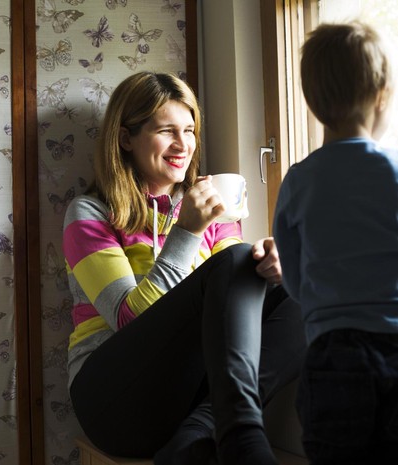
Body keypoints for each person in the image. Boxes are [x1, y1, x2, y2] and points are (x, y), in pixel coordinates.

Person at [63, 71, 305, 465]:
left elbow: (237, 290)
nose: (183, 145)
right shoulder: (89, 213)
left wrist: (271, 267)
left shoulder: (212, 207)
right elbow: (128, 318)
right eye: (166, 131)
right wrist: (188, 231)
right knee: (236, 262)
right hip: (112, 402)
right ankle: (236, 430)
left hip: (187, 397)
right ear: (126, 138)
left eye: (189, 130)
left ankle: (207, 427)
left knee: (303, 286)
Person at [273, 21, 398, 465]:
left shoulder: (298, 181)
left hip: (333, 355)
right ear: (382, 95)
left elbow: (294, 279)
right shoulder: (393, 172)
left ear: (311, 101)